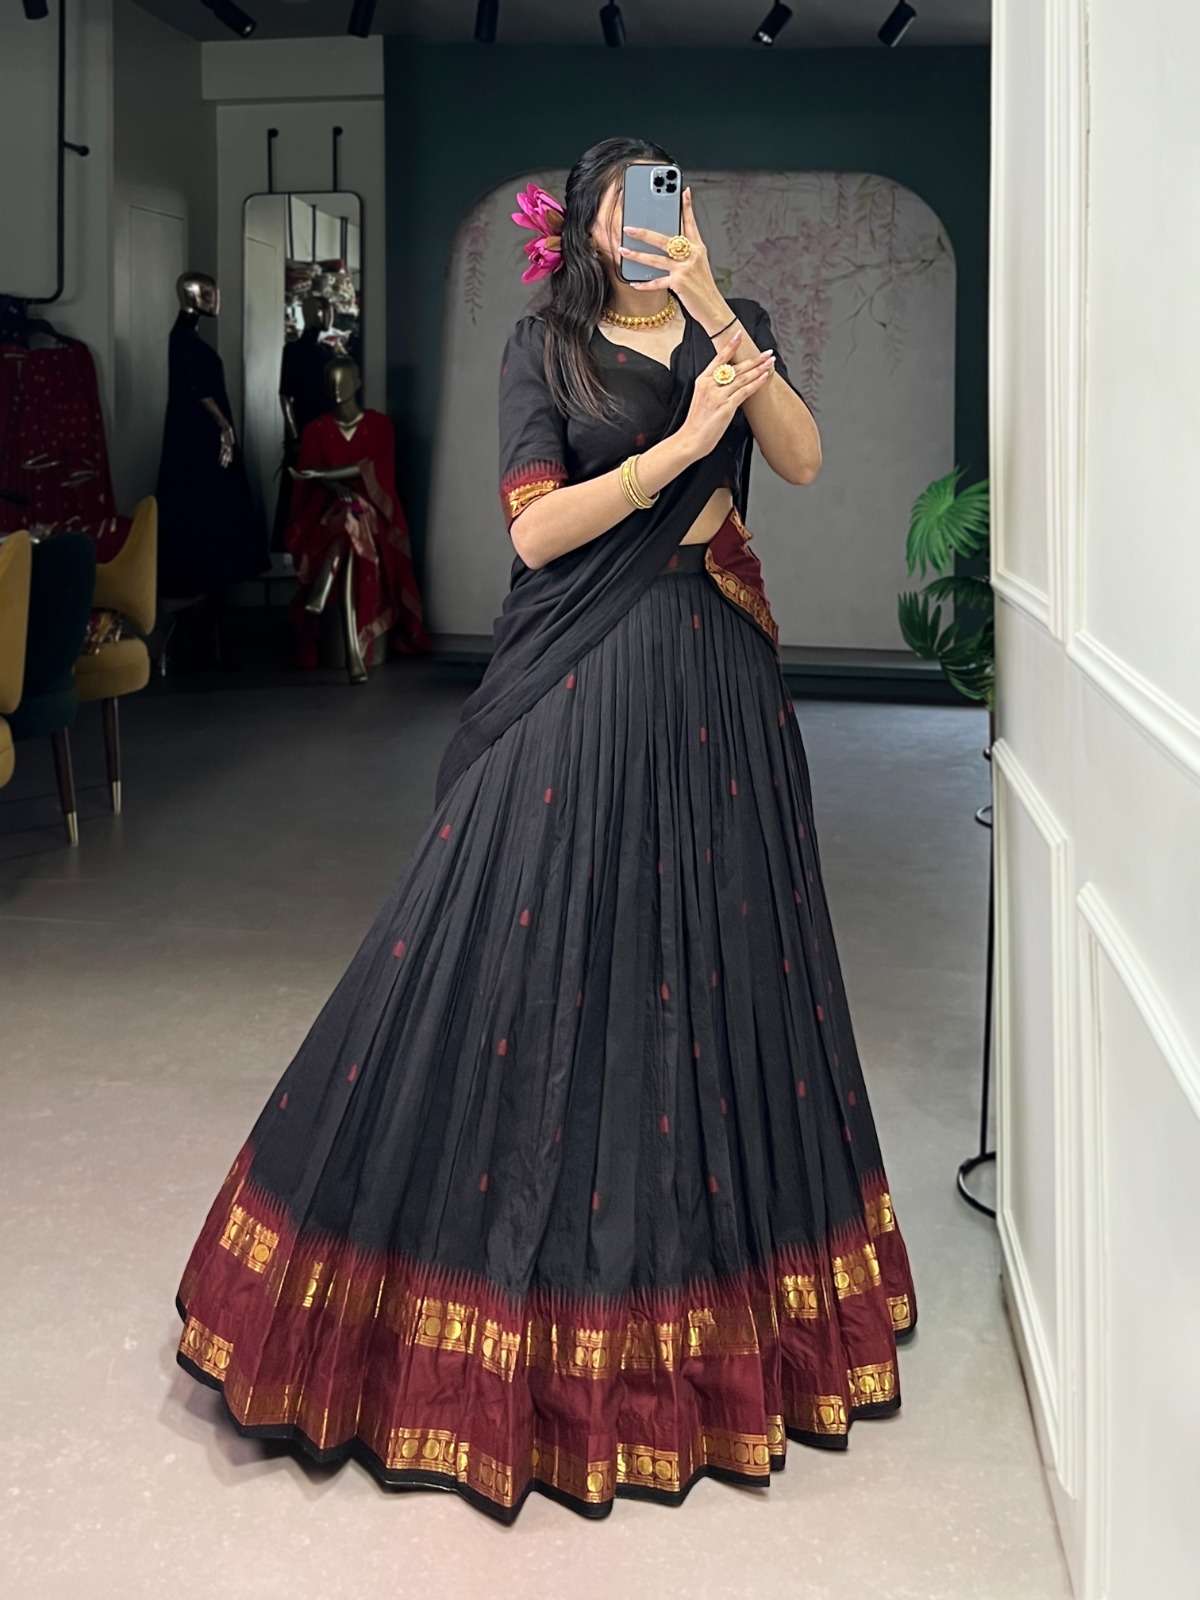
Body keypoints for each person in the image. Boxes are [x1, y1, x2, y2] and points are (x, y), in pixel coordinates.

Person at [173, 136, 918, 1524]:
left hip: (718, 673)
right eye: (630, 207)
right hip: (584, 668)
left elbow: (803, 460)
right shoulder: (547, 349)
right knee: (533, 953)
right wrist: (676, 453)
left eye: (672, 199)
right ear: (582, 228)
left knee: (719, 973)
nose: (653, 223)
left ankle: (716, 1317)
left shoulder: (733, 322)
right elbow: (531, 534)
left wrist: (716, 320)